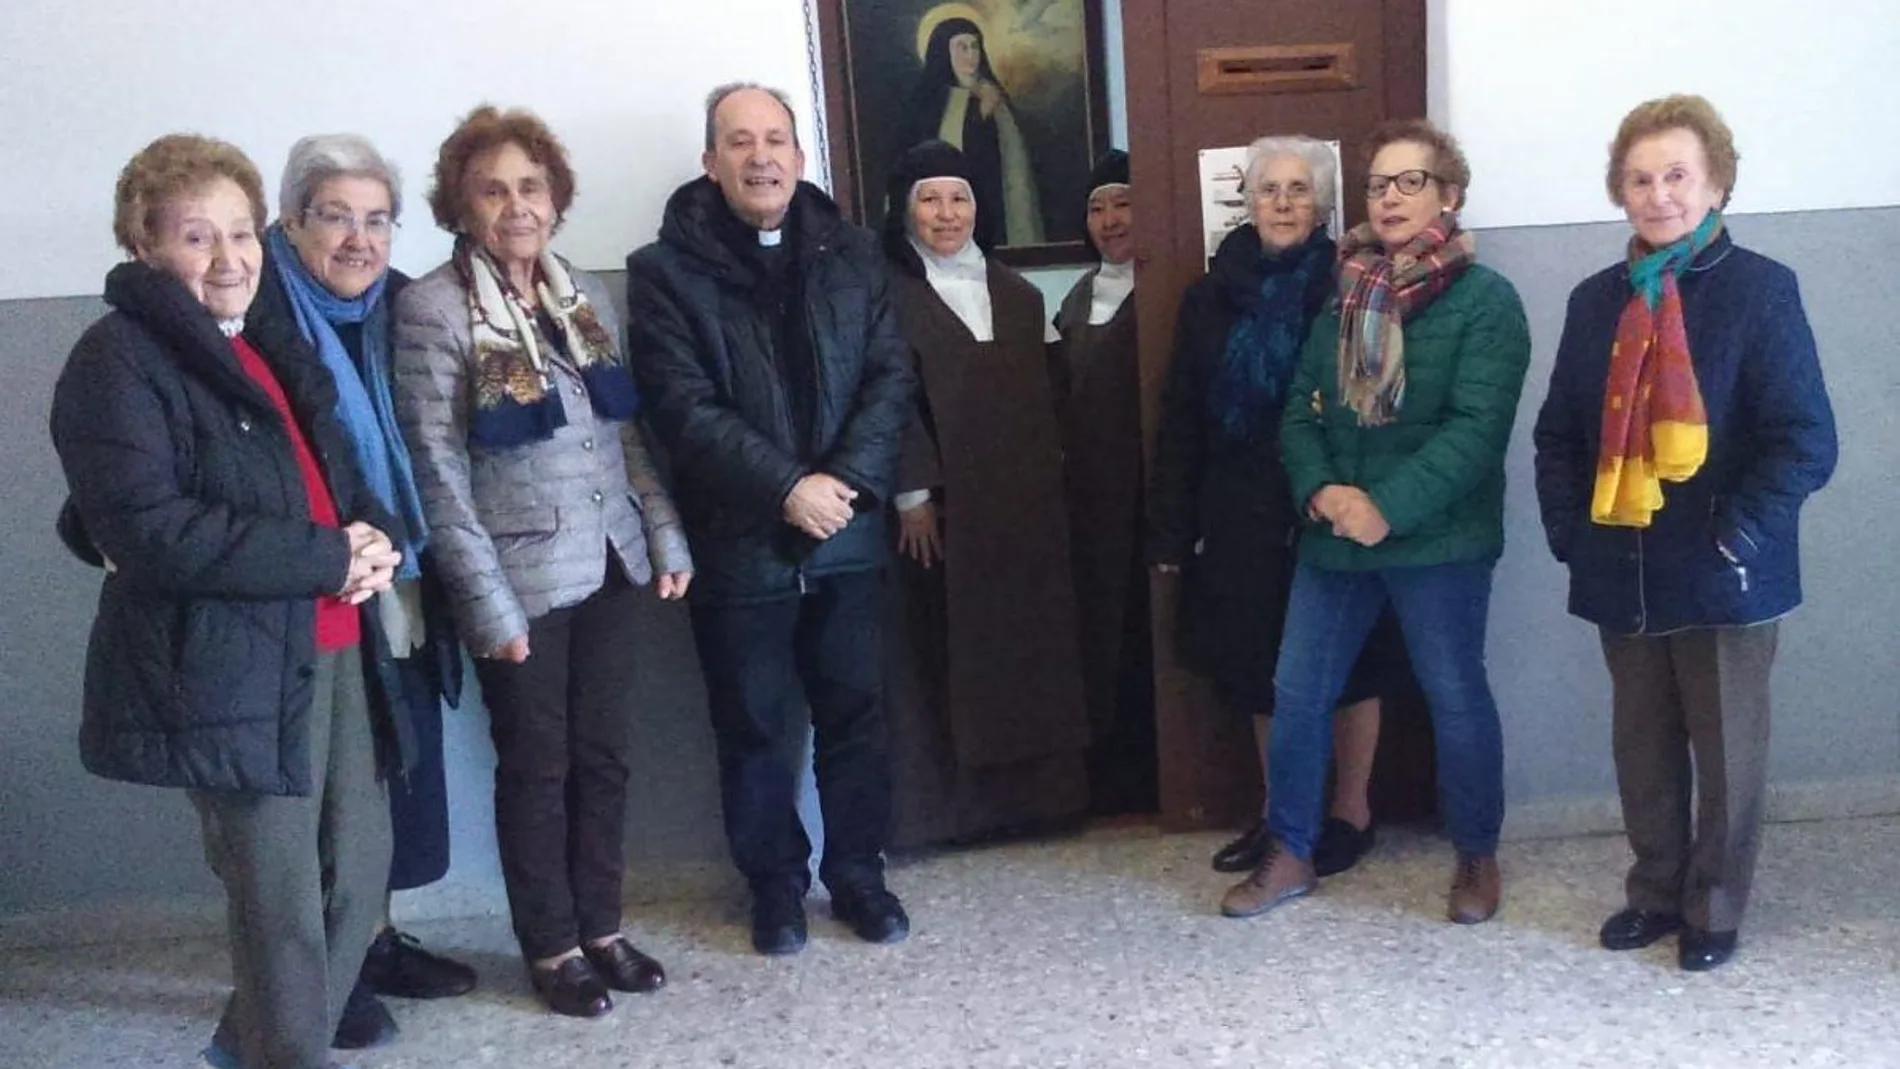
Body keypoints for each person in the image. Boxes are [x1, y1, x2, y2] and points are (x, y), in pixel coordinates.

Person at [50, 133, 404, 1069]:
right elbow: (150, 528)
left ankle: (246, 1042)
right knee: (279, 896)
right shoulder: (115, 358)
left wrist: (366, 538)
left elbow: (322, 473)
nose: (229, 258)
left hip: (330, 640)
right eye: (198, 237)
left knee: (359, 867)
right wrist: (326, 555)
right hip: (227, 663)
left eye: (242, 234)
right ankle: (286, 1053)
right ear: (146, 249)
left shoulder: (265, 343)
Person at [393, 105, 693, 1018]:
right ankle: (552, 945)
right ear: (460, 205)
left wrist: (664, 533)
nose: (516, 205)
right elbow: (436, 477)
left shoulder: (580, 297)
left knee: (604, 756)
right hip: (516, 584)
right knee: (538, 767)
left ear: (555, 200)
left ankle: (600, 927)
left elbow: (623, 430)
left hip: (608, 562)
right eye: (493, 189)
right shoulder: (434, 310)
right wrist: (485, 606)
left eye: (530, 186)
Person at [1532, 95, 1836, 972]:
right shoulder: (1597, 302)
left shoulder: (1761, 290)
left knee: (1729, 754)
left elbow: (1804, 439)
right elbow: (1559, 434)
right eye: (1640, 177)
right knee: (1644, 750)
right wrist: (1569, 531)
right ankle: (1656, 892)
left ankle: (1714, 905)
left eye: (1677, 175)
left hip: (1726, 573)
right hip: (1619, 566)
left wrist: (1733, 538)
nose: (1658, 193)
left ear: (1717, 184)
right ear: (1619, 192)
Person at [625, 83, 916, 957]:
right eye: (740, 141)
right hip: (741, 539)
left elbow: (889, 377)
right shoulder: (662, 271)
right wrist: (787, 486)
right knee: (753, 724)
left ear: (800, 155)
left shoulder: (857, 254)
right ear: (710, 162)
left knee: (857, 712)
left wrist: (842, 484)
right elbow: (682, 406)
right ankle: (776, 887)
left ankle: (858, 872)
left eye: (777, 139)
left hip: (849, 535)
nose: (762, 157)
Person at [1220, 120, 1531, 925]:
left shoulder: (1487, 302)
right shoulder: (1345, 290)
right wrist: (1323, 490)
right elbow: (1300, 413)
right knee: (1297, 691)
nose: (1388, 198)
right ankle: (1290, 851)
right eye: (1377, 184)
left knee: (1453, 695)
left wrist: (1384, 506)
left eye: (1409, 182)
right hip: (1334, 535)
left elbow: (1475, 431)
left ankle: (1475, 856)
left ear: (1449, 196)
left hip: (1439, 539)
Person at [257, 133, 480, 1049]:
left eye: (377, 219)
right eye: (336, 217)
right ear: (291, 221)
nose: (359, 239)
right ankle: (325, 974)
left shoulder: (400, 306)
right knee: (319, 794)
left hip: (400, 580)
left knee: (390, 772)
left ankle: (373, 938)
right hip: (305, 591)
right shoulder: (256, 310)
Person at [1149, 136, 1393, 882]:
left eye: (1298, 189)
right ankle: (1281, 815)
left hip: (1331, 495)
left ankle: (1350, 811)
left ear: (1322, 205)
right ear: (1246, 201)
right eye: (1268, 190)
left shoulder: (1352, 284)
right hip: (1239, 504)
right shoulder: (1207, 294)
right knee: (1261, 663)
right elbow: (1183, 413)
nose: (1283, 203)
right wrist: (1171, 527)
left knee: (1353, 660)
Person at [881, 139, 1091, 844]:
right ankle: (952, 814)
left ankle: (1037, 803)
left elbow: (1057, 396)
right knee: (947, 652)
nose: (947, 213)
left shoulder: (1020, 294)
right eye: (930, 198)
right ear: (904, 210)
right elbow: (886, 397)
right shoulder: (885, 294)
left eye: (960, 197)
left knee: (1029, 651)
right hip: (941, 512)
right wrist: (911, 490)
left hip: (1024, 508)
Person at [1049, 150, 1156, 815]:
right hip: (1088, 499)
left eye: (1122, 202)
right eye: (1097, 207)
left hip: (1144, 492)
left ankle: (1152, 778)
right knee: (1097, 636)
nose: (1111, 219)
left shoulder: (1165, 282)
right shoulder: (1078, 295)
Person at [901, 14, 1044, 248]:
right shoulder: (929, 102)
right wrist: (980, 114)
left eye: (974, 47)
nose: (970, 56)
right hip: (947, 213)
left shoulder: (994, 95)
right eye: (961, 48)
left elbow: (1015, 160)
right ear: (944, 53)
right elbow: (942, 156)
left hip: (996, 199)